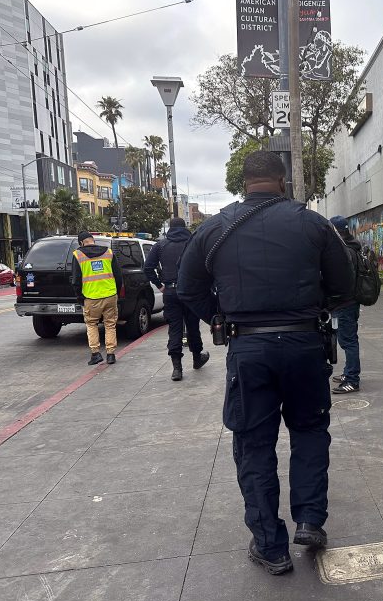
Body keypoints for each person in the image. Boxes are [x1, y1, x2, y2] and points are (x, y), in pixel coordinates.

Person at [178, 151, 354, 575]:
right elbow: (345, 286)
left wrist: (220, 319)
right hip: (304, 345)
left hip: (249, 350)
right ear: (283, 180)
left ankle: (270, 545)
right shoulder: (312, 223)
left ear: (244, 181)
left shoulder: (215, 227)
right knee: (310, 430)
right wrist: (310, 312)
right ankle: (310, 520)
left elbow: (187, 287)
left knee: (254, 444)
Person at [143, 217, 210, 381]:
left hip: (171, 291)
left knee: (175, 329)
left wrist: (159, 285)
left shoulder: (160, 245)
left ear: (169, 229)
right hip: (191, 292)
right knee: (193, 326)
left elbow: (148, 267)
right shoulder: (193, 243)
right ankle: (196, 358)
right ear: (185, 227)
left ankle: (177, 368)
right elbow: (206, 265)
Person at [71, 231, 123, 366]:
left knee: (91, 324)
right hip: (110, 295)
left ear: (81, 243)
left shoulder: (78, 255)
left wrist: (80, 298)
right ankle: (111, 354)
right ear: (92, 240)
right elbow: (118, 276)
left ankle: (96, 353)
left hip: (91, 297)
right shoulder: (108, 252)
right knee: (110, 324)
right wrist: (115, 292)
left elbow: (76, 280)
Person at [329, 215, 362, 394]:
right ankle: (349, 373)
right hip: (350, 302)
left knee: (348, 342)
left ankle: (352, 379)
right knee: (348, 340)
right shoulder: (352, 247)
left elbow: (340, 280)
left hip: (344, 303)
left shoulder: (344, 251)